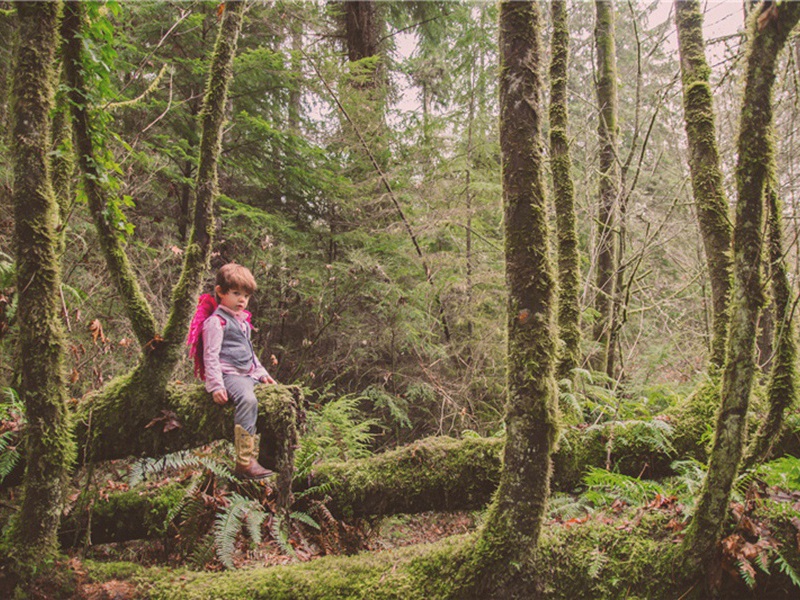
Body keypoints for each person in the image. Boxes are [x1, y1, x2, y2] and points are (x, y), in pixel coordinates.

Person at [202, 263, 277, 479]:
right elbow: (211, 355)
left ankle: (270, 456)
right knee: (248, 400)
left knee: (279, 397)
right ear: (220, 292)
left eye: (246, 295)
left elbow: (250, 354)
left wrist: (262, 374)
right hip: (230, 375)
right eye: (236, 293)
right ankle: (244, 462)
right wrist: (216, 386)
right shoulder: (216, 322)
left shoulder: (243, 322)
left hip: (248, 374)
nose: (242, 300)